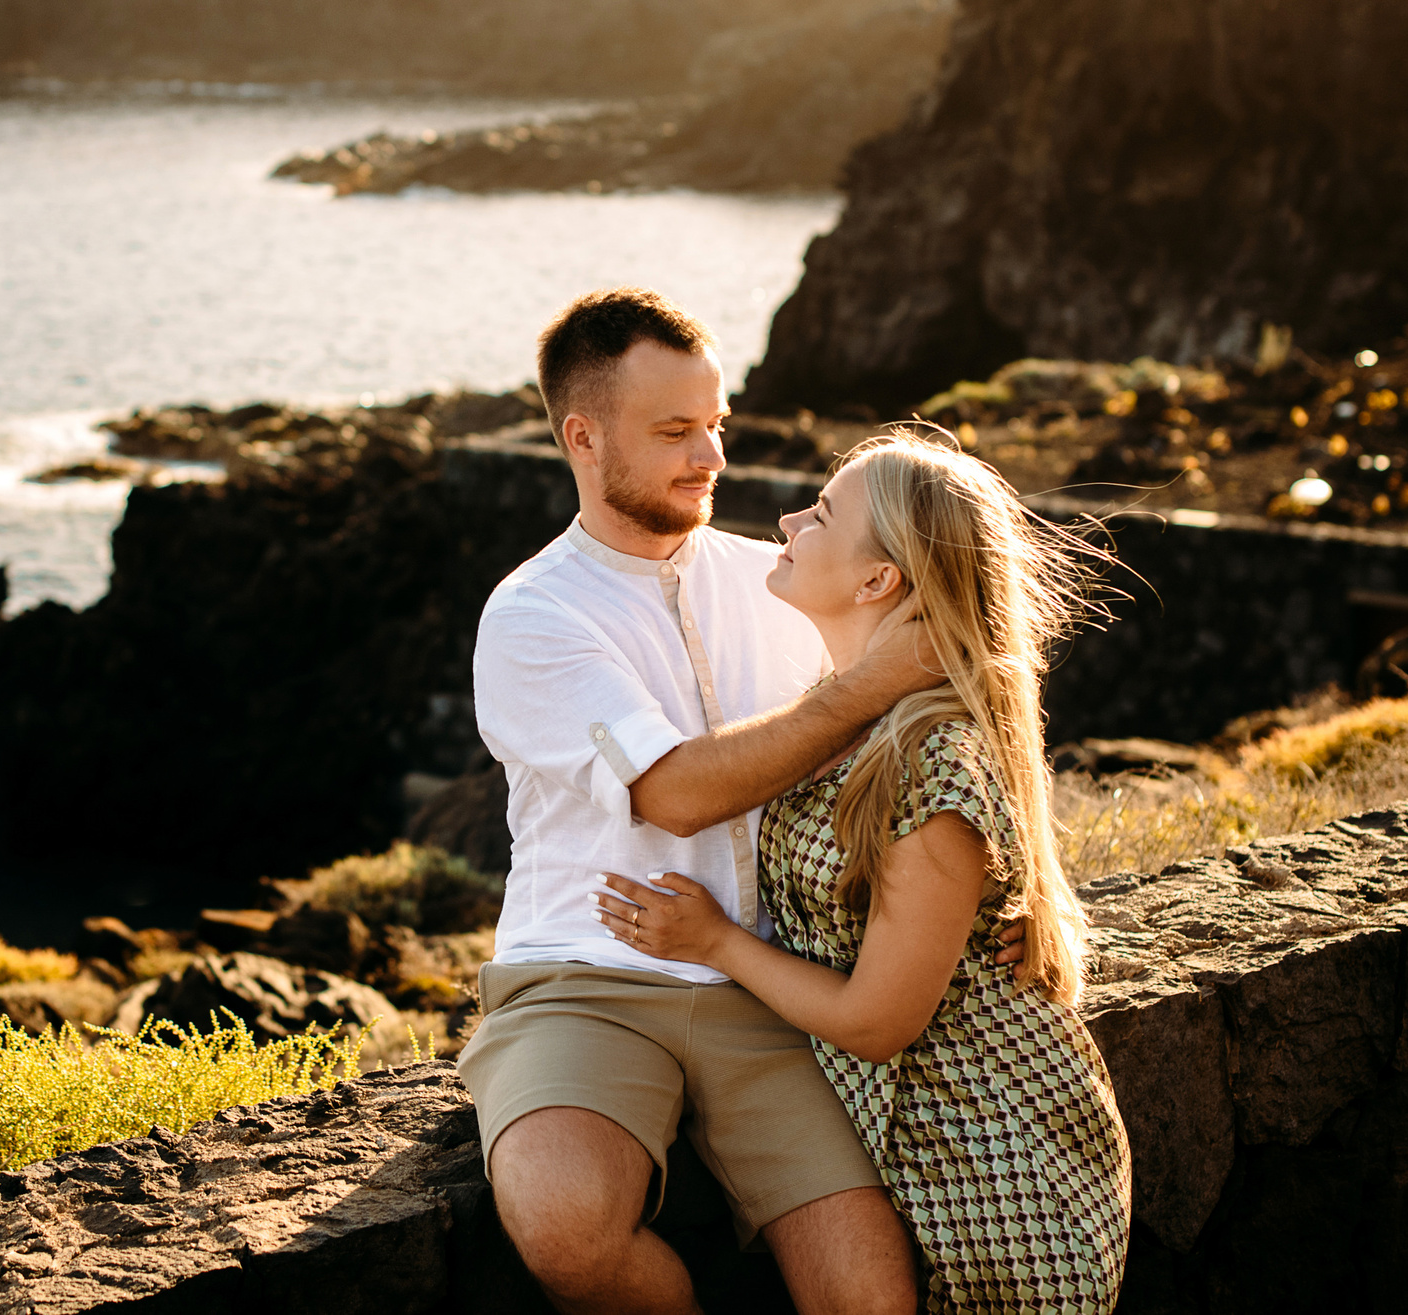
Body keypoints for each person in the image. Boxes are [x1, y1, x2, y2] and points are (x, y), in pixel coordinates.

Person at [460, 287, 958, 1315]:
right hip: (585, 977)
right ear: (583, 438)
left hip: (776, 982)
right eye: (676, 431)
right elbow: (674, 794)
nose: (711, 458)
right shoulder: (531, 615)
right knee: (566, 1227)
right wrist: (865, 683)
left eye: (715, 425)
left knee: (871, 1300)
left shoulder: (778, 580)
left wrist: (995, 903)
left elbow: (927, 751)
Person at [595, 431, 1133, 1315]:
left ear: (878, 579)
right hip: (913, 1140)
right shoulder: (842, 709)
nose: (789, 518)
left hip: (996, 1175)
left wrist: (717, 941)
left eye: (824, 512)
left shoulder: (933, 762)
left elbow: (877, 1021)